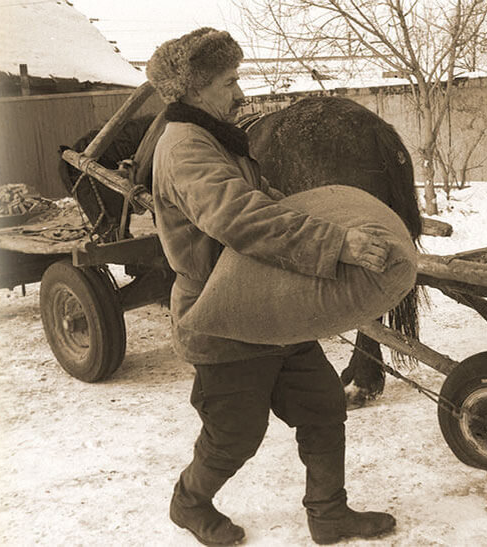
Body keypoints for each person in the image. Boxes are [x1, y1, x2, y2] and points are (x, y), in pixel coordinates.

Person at [145, 28, 397, 546]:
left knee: (323, 407)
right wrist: (334, 244)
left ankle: (328, 514)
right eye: (229, 81)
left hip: (271, 305)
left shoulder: (214, 134)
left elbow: (259, 198)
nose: (239, 93)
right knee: (233, 436)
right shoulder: (185, 147)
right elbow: (239, 217)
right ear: (194, 89)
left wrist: (317, 212)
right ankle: (188, 502)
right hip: (223, 315)